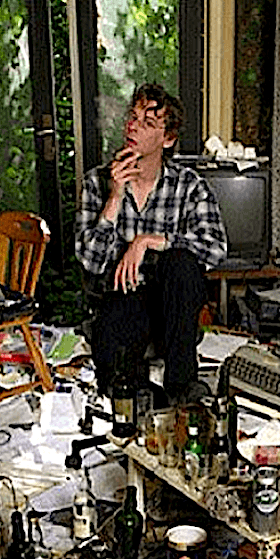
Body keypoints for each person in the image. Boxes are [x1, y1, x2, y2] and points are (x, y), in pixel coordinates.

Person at [75, 83, 227, 403]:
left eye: (147, 122)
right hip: (124, 299)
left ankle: (182, 385)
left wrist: (148, 241)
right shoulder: (96, 182)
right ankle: (146, 395)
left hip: (173, 304)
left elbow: (215, 248)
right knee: (119, 388)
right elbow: (91, 262)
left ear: (167, 139)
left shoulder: (189, 186)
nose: (133, 126)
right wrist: (115, 197)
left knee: (181, 262)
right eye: (132, 117)